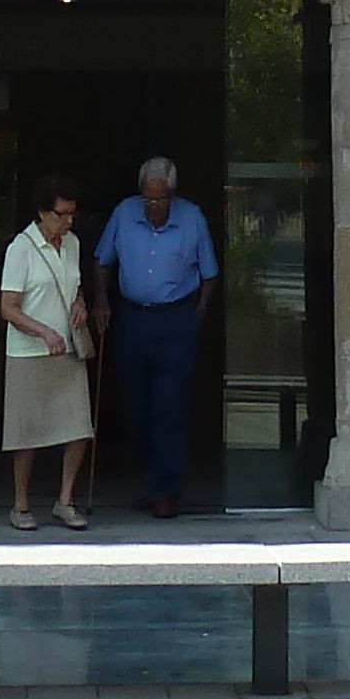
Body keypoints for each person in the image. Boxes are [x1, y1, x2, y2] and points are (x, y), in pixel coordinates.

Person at [91, 155, 218, 518]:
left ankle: (167, 490)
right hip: (132, 319)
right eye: (147, 199)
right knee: (136, 406)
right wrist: (101, 300)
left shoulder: (192, 218)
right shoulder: (124, 213)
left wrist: (199, 314)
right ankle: (153, 481)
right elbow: (102, 261)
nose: (152, 207)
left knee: (170, 407)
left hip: (176, 319)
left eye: (159, 200)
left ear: (172, 195)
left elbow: (210, 274)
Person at [0, 172, 94, 530]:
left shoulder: (73, 244)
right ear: (42, 212)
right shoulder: (20, 249)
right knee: (27, 433)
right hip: (29, 353)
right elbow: (8, 307)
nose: (67, 222)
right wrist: (43, 332)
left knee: (78, 427)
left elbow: (74, 288)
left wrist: (80, 304)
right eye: (61, 214)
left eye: (72, 214)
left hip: (68, 349)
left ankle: (65, 500)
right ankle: (21, 504)